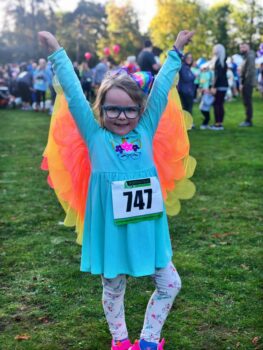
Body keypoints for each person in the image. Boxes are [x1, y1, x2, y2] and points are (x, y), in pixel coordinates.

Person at [39, 29, 194, 350]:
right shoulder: (96, 138)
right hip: (112, 230)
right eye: (112, 109)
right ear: (100, 110)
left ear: (140, 110)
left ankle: (149, 341)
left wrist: (176, 51)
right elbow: (72, 89)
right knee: (113, 288)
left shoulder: (146, 129)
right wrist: (56, 52)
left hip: (148, 229)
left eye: (129, 110)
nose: (121, 116)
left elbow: (163, 87)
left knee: (170, 283)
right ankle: (121, 342)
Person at [210, 44, 228, 131]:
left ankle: (218, 124)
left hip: (219, 86)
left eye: (215, 49)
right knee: (220, 104)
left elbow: (218, 76)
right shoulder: (223, 61)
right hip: (224, 85)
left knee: (217, 104)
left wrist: (213, 87)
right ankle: (220, 123)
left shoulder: (219, 62)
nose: (213, 50)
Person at [239, 43, 256, 127]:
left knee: (247, 102)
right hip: (246, 82)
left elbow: (250, 71)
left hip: (248, 83)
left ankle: (248, 121)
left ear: (248, 47)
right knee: (246, 102)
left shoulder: (250, 56)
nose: (241, 49)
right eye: (241, 47)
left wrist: (243, 83)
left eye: (244, 47)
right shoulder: (246, 56)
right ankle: (248, 120)